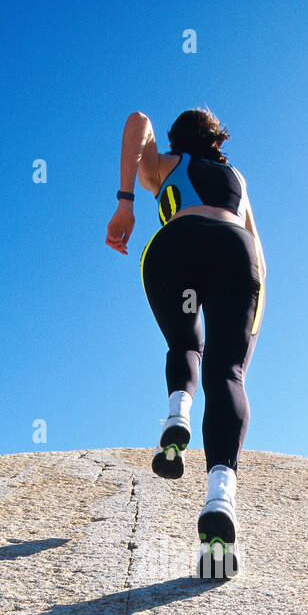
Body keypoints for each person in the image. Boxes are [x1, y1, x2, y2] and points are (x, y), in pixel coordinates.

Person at [105, 108, 266, 571]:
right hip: (236, 251)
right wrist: (250, 325)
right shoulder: (236, 178)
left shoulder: (164, 166)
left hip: (175, 248)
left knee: (184, 344)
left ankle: (177, 414)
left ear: (177, 139)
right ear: (217, 139)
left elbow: (135, 119)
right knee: (227, 374)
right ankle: (220, 499)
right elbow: (258, 251)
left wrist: (125, 202)